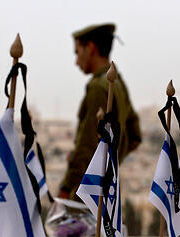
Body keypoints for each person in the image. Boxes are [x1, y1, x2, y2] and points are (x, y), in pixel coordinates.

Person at [58, 23, 142, 200]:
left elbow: (87, 145)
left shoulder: (98, 87)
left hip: (88, 191)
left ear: (90, 48)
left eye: (77, 52)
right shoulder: (117, 83)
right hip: (108, 189)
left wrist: (66, 187)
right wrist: (113, 159)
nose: (76, 61)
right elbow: (135, 136)